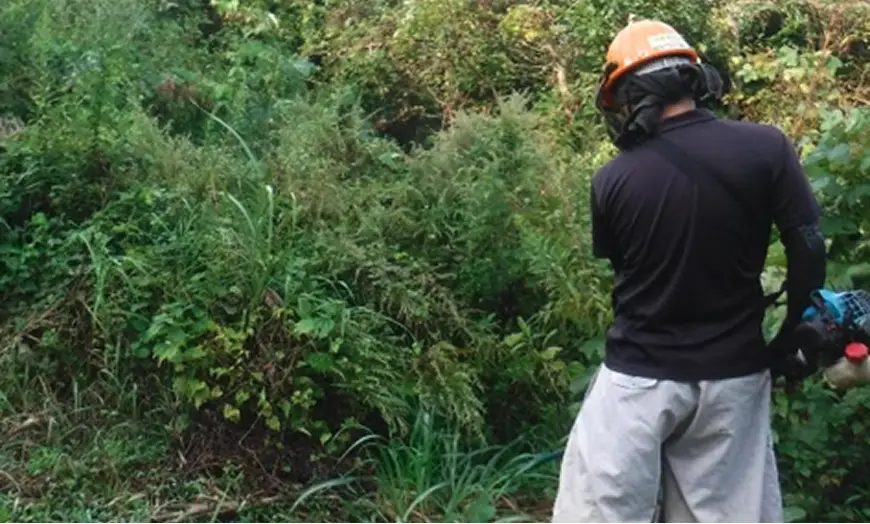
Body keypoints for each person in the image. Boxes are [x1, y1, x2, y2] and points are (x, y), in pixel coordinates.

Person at [552, 19, 827, 523]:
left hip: (639, 377)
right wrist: (792, 338)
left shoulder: (613, 179)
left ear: (630, 95)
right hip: (735, 376)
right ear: (694, 79)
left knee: (599, 512)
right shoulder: (767, 147)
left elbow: (628, 275)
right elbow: (808, 246)